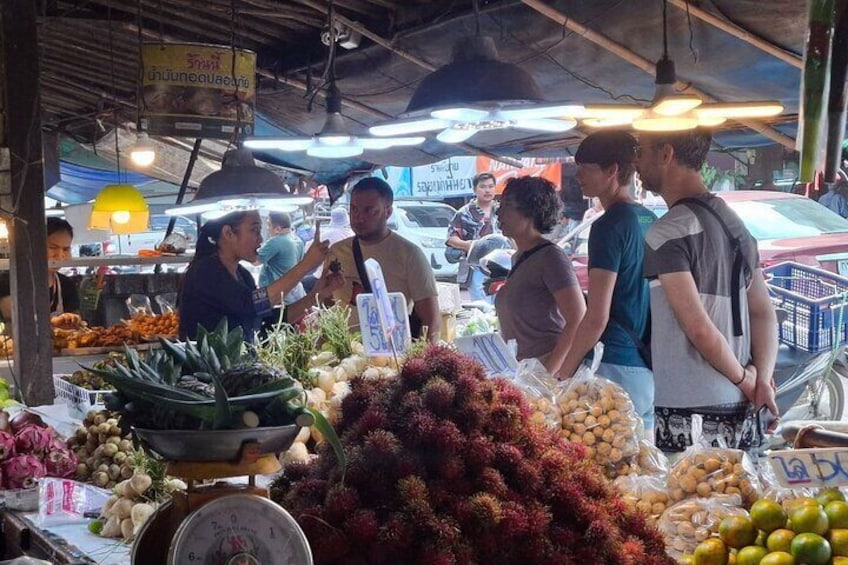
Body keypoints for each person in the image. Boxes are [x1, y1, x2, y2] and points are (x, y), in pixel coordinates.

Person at [635, 128, 779, 452]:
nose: (636, 161)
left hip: (690, 411)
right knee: (743, 500)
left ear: (666, 154)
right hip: (743, 406)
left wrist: (745, 379)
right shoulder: (734, 224)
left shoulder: (668, 232)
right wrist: (761, 379)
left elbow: (699, 328)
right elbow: (763, 312)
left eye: (640, 150)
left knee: (692, 503)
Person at [556, 131, 657, 434]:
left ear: (612, 170)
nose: (577, 175)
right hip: (645, 368)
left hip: (612, 365)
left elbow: (597, 316)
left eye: (585, 167)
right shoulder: (650, 219)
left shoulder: (608, 226)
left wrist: (563, 373)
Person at [179, 210, 339, 341]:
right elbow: (251, 305)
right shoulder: (206, 271)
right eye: (254, 230)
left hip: (239, 372)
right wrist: (305, 265)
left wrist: (315, 296)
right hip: (208, 375)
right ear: (228, 233)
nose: (261, 238)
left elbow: (266, 322)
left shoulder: (243, 275)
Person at [324, 177, 441, 342]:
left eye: (369, 210)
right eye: (354, 209)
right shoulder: (336, 252)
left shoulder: (410, 255)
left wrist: (425, 359)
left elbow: (431, 320)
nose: (358, 217)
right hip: (345, 358)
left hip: (393, 355)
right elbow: (325, 304)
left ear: (388, 212)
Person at [494, 176, 586, 372]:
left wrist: (549, 374)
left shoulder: (551, 257)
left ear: (530, 210)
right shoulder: (519, 257)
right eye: (499, 205)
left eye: (507, 205)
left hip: (544, 372)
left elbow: (577, 318)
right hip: (523, 372)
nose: (499, 212)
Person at [0, 217, 80, 324]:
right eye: (52, 247)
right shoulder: (8, 281)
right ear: (33, 246)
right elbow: (13, 316)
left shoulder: (66, 284)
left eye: (66, 249)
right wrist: (53, 322)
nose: (60, 256)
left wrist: (73, 319)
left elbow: (76, 317)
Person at [446, 173, 499, 302]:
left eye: (491, 186)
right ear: (475, 189)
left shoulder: (503, 209)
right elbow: (451, 239)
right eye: (483, 186)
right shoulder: (464, 213)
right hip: (475, 267)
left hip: (501, 267)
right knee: (482, 307)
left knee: (502, 306)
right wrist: (472, 245)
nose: (487, 190)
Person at [257, 212, 306, 305]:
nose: (267, 228)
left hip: (279, 297)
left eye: (269, 225)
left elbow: (255, 261)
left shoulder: (276, 241)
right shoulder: (298, 241)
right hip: (295, 292)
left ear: (277, 229)